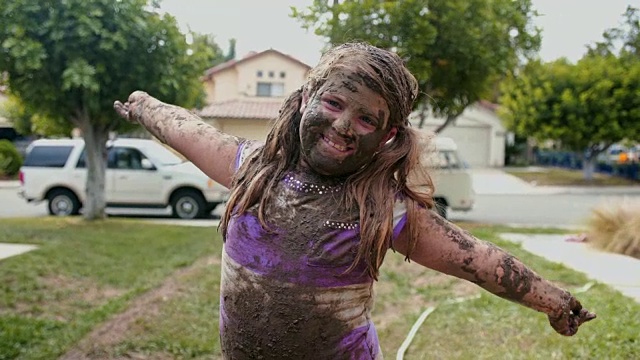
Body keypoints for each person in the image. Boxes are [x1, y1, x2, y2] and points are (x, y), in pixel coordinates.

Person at [114, 42, 595, 359]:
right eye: (334, 104)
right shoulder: (252, 166)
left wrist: (554, 301)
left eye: (367, 120)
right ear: (305, 99)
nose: (344, 126)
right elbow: (187, 130)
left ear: (388, 136)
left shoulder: (384, 209)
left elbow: (481, 261)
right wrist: (143, 105)